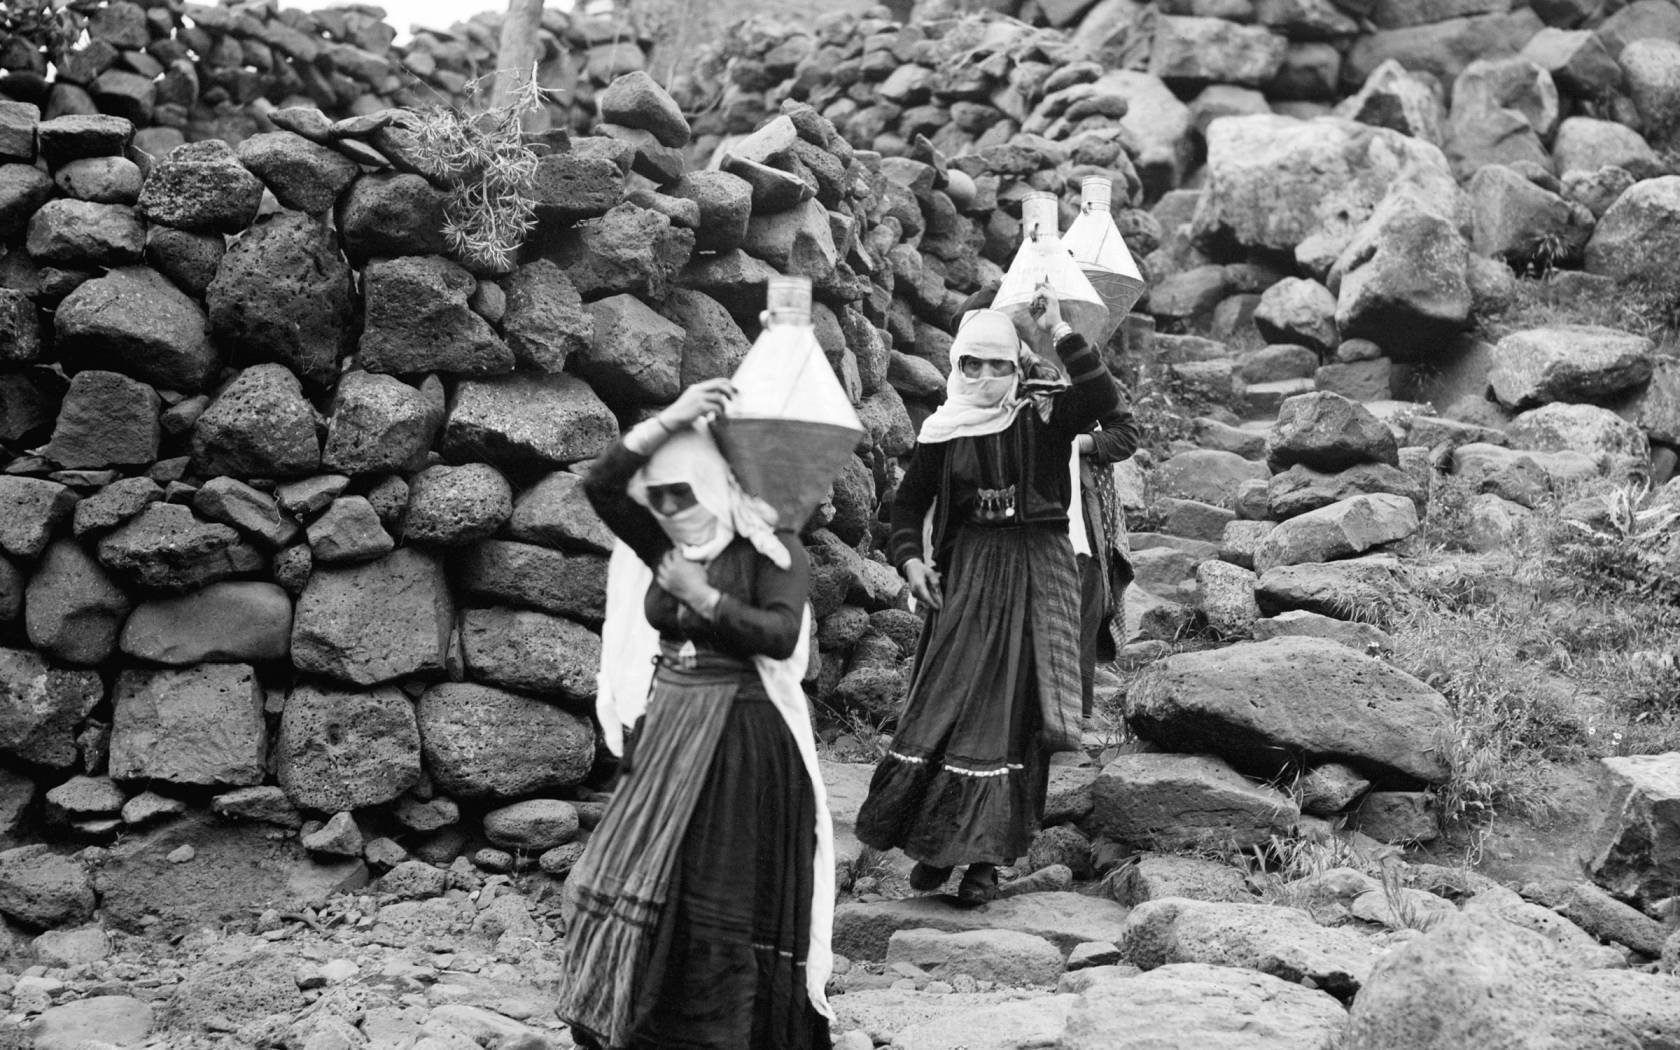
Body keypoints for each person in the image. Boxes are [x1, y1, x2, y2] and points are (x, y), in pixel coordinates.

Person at [557, 377, 834, 1050]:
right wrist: (672, 418)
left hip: (740, 735)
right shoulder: (667, 545)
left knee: (713, 893)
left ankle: (710, 1035)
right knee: (618, 875)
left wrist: (702, 598)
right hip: (669, 725)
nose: (670, 507)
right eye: (659, 496)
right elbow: (600, 485)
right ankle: (631, 1019)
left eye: (683, 491)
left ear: (714, 483)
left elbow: (777, 634)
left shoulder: (772, 549)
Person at [853, 280, 1123, 905]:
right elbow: (907, 506)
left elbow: (1101, 395)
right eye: (970, 363)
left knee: (1016, 715)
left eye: (997, 364)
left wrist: (1057, 330)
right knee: (946, 703)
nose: (981, 374)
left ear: (1015, 366)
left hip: (1038, 577)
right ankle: (934, 842)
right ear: (955, 364)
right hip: (969, 576)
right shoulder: (943, 431)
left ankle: (985, 863)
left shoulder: (1046, 420)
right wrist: (911, 560)